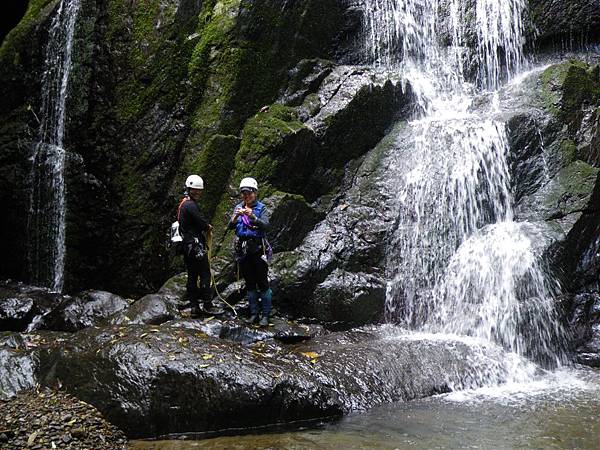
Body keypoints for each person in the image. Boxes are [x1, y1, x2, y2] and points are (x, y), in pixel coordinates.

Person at [228, 177, 272, 326]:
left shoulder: (262, 208)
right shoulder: (238, 207)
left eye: (249, 193)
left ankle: (265, 315)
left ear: (255, 193)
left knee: (262, 281)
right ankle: (254, 313)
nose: (246, 196)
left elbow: (265, 225)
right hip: (244, 250)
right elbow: (230, 226)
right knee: (250, 282)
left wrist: (252, 216)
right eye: (244, 193)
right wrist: (235, 218)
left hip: (258, 249)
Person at [179, 174, 213, 316]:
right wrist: (208, 227)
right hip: (195, 245)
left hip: (187, 245)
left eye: (199, 190)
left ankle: (194, 307)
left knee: (192, 275)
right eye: (195, 190)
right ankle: (207, 305)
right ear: (189, 189)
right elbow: (202, 223)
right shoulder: (190, 205)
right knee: (205, 273)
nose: (198, 192)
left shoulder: (183, 204)